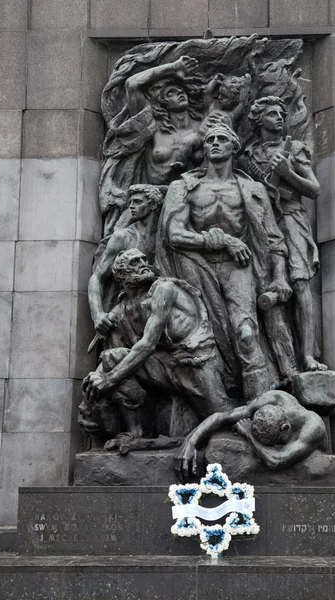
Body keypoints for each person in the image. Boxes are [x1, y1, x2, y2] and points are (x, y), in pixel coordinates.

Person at [157, 123, 297, 399]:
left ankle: (259, 407)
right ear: (205, 148)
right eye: (210, 140)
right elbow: (173, 234)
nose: (216, 143)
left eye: (223, 139)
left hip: (239, 268)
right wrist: (219, 240)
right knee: (199, 340)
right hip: (194, 267)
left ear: (235, 147)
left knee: (246, 334)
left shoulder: (252, 189)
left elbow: (273, 240)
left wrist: (279, 276)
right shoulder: (183, 186)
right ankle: (215, 405)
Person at [82, 249, 237, 452]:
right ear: (121, 275)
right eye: (135, 262)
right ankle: (135, 433)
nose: (144, 263)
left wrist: (109, 379)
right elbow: (121, 349)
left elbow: (147, 344)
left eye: (144, 259)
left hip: (195, 362)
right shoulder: (123, 308)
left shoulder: (164, 289)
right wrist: (93, 387)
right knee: (112, 357)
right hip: (164, 365)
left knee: (223, 418)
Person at [242, 96, 327, 372]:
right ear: (258, 120)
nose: (279, 117)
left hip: (290, 219)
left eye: (281, 113)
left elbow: (313, 190)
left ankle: (307, 356)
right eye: (271, 114)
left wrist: (287, 173)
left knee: (301, 283)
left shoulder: (294, 149)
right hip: (259, 223)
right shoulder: (248, 155)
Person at [100, 56, 225, 234]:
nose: (180, 93)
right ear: (161, 103)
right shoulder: (153, 127)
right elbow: (132, 85)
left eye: (181, 91)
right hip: (151, 203)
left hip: (193, 204)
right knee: (118, 235)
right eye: (171, 93)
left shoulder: (203, 127)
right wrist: (174, 67)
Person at [174, 389, 326, 481]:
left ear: (285, 428)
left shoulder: (313, 428)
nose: (274, 446)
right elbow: (221, 417)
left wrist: (248, 434)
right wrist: (191, 442)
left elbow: (277, 460)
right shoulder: (273, 399)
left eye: (271, 443)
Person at [88, 184, 163, 346]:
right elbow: (97, 277)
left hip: (159, 306)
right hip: (127, 313)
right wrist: (98, 315)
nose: (131, 206)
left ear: (153, 205)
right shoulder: (123, 237)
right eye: (130, 202)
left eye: (137, 202)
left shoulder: (165, 236)